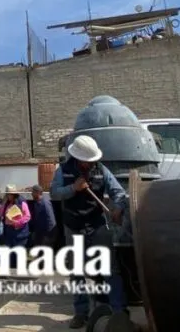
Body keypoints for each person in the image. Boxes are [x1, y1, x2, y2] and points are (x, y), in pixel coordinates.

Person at [51, 135, 128, 329]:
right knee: (77, 271)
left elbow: (118, 192)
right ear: (78, 158)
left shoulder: (101, 170)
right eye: (89, 160)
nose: (92, 162)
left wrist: (118, 207)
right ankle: (81, 313)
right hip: (73, 225)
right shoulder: (64, 171)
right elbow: (54, 193)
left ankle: (119, 311)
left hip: (97, 224)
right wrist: (73, 188)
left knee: (111, 268)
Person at [0, 185, 31, 266]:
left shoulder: (21, 202)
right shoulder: (6, 203)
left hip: (19, 232)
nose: (8, 196)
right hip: (9, 231)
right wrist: (3, 203)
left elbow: (27, 216)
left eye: (9, 194)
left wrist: (17, 222)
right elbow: (0, 213)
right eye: (7, 194)